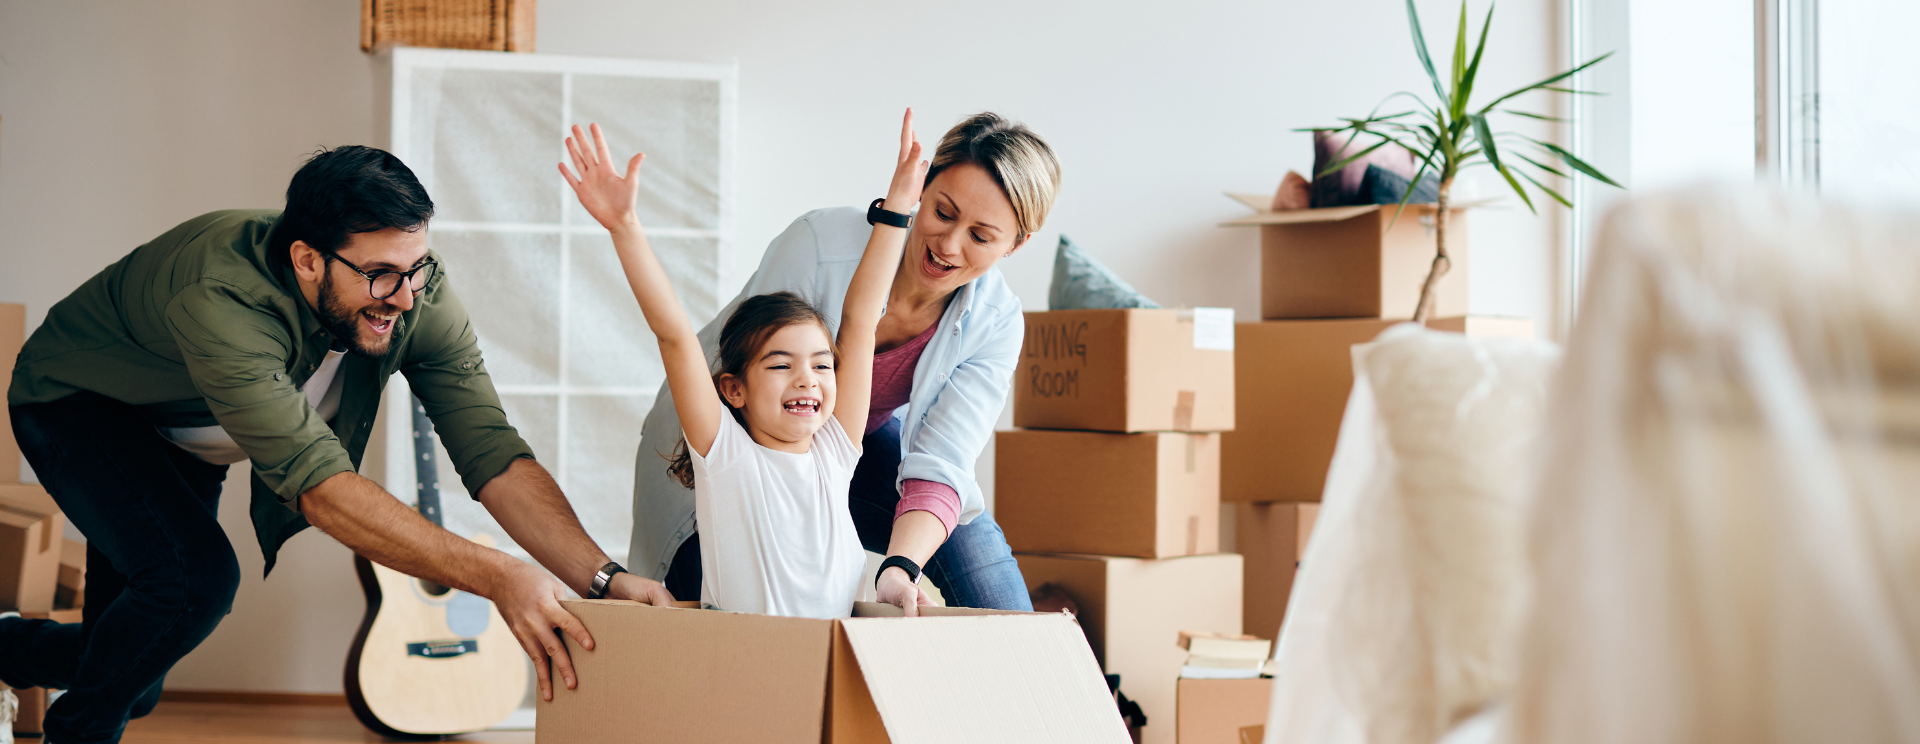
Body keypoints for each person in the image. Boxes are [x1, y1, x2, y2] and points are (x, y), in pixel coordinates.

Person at [3, 145, 673, 743]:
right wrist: (498, 576)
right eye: (382, 274)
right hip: (78, 404)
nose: (405, 298)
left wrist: (603, 578)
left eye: (417, 268)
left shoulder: (414, 295)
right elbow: (319, 486)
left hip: (188, 435)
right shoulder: (221, 297)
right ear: (306, 260)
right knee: (192, 584)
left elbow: (490, 450)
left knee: (133, 671)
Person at [634, 111, 1062, 614]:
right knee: (707, 607)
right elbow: (715, 357)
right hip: (733, 434)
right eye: (943, 213)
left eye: (981, 236)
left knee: (990, 583)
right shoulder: (820, 245)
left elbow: (942, 461)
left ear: (1017, 243)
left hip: (845, 442)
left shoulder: (996, 322)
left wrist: (900, 568)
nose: (948, 246)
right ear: (922, 189)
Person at [563, 110, 923, 617]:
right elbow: (675, 339)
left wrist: (899, 209)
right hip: (747, 669)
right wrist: (625, 227)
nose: (808, 379)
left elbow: (861, 321)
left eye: (822, 366)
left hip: (829, 666)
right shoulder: (727, 457)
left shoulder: (835, 454)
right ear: (734, 390)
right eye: (781, 366)